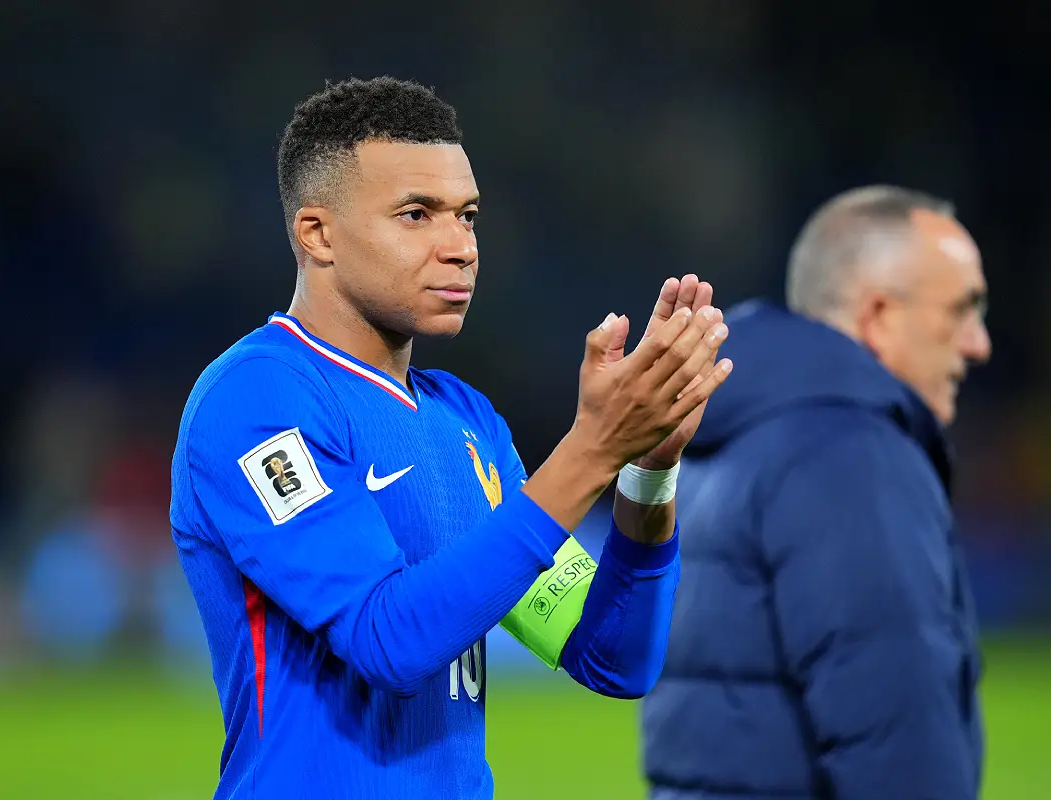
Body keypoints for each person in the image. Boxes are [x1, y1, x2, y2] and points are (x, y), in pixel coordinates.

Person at [168, 75, 732, 800]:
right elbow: (387, 641)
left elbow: (614, 656)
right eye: (417, 214)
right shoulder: (259, 397)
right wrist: (593, 447)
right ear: (318, 235)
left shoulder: (467, 422)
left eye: (467, 216)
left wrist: (647, 472)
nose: (460, 246)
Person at [641, 186, 992, 799]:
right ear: (879, 317)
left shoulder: (722, 437)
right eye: (962, 310)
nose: (977, 344)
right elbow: (898, 741)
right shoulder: (852, 452)